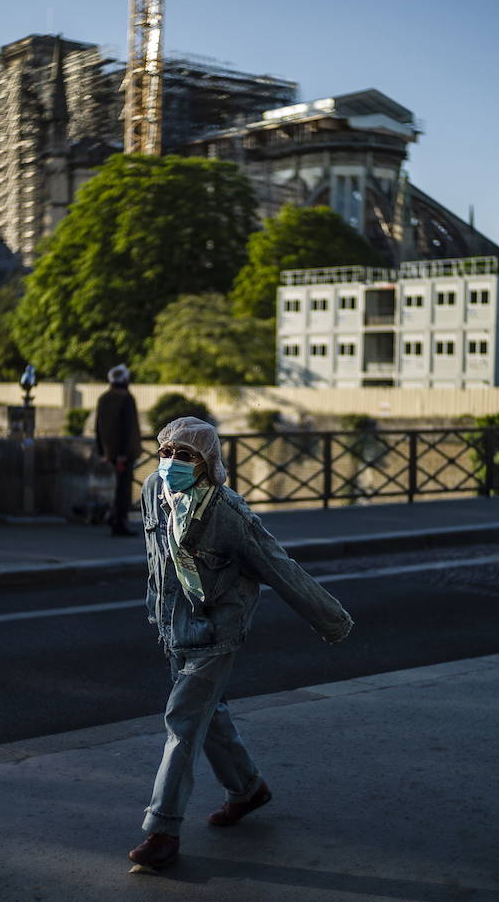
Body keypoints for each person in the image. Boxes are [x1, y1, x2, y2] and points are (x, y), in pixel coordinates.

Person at [128, 416, 353, 870]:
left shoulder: (229, 514)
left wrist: (332, 622)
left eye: (184, 455)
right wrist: (157, 613)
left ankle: (163, 829)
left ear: (208, 463)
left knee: (183, 723)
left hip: (216, 633)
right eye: (165, 452)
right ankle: (249, 790)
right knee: (210, 719)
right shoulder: (153, 490)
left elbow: (280, 568)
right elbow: (157, 560)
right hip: (175, 628)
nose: (170, 462)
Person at [94, 364, 142, 536]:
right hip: (124, 453)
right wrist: (122, 454)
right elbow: (126, 429)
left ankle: (115, 518)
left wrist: (102, 451)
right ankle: (119, 523)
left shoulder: (104, 398)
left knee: (118, 487)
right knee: (123, 489)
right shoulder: (126, 398)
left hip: (110, 451)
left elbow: (98, 427)